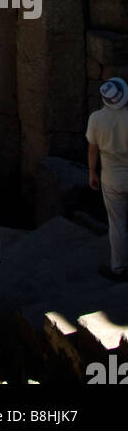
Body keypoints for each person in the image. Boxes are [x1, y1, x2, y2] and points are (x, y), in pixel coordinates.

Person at [88, 76, 128, 280]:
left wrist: (92, 173)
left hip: (111, 178)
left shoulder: (96, 118)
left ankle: (119, 268)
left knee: (117, 225)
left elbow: (93, 149)